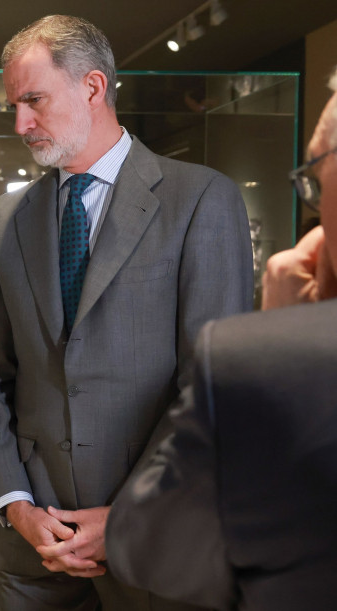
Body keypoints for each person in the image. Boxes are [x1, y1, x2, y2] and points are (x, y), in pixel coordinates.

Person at [0, 15, 254, 609]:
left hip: (156, 542)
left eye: (33, 100)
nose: (20, 123)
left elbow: (212, 384)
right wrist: (13, 503)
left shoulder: (201, 200)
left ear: (93, 87)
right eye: (14, 105)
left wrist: (124, 515)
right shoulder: (0, 223)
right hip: (31, 548)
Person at [105, 68, 337, 610]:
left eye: (317, 182)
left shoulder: (264, 362)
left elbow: (150, 547)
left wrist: (283, 342)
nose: (313, 207)